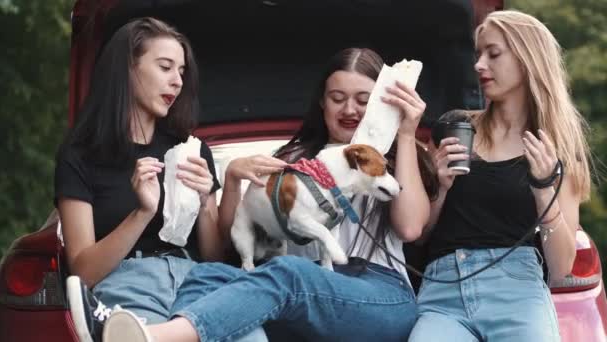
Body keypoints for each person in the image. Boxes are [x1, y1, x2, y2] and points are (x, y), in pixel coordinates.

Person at [86, 47, 437, 342]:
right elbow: (230, 241)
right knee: (205, 276)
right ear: (322, 103)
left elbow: (409, 229)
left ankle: (156, 337)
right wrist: (234, 182)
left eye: (363, 100)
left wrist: (404, 133)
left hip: (378, 293)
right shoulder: (291, 163)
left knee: (288, 271)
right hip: (305, 291)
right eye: (337, 98)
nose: (349, 110)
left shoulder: (390, 161)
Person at [56, 17, 286, 342]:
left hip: (199, 281)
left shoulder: (191, 150)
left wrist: (206, 200)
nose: (177, 81)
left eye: (181, 71)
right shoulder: (80, 155)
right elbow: (83, 272)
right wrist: (142, 213)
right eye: (165, 67)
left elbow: (213, 257)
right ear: (127, 69)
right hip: (127, 284)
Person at [408, 10, 593, 341]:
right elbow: (418, 234)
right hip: (443, 293)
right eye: (479, 54)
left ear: (527, 59)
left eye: (493, 54)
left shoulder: (558, 149)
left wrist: (542, 187)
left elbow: (562, 265)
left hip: (518, 293)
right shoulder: (454, 127)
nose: (479, 65)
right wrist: (440, 188)